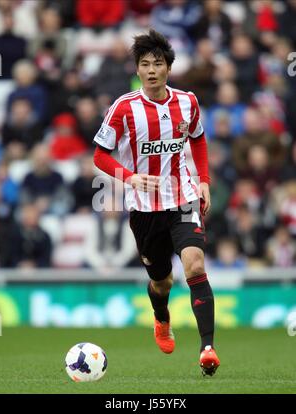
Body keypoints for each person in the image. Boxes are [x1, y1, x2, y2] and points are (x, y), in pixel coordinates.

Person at [93, 29, 220, 376]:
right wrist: (130, 177)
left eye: (158, 63)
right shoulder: (123, 108)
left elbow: (199, 140)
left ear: (168, 68)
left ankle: (207, 348)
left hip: (182, 198)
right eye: (144, 64)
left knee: (194, 264)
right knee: (161, 282)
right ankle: (162, 318)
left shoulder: (187, 102)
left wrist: (204, 181)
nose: (151, 70)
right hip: (145, 208)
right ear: (137, 69)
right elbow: (100, 157)